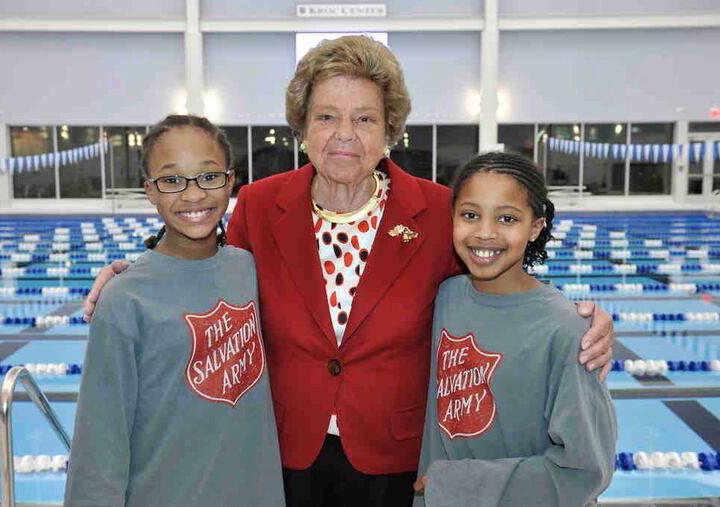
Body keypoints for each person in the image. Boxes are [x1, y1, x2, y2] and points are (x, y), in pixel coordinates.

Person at [84, 36, 614, 506]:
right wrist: (135, 270)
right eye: (327, 116)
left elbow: (496, 272)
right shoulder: (260, 205)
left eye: (364, 118)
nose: (345, 134)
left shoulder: (434, 211)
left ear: (389, 131)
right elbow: (209, 271)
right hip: (282, 453)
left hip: (394, 460)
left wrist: (581, 324)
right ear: (303, 126)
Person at [65, 115, 285, 507]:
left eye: (209, 176)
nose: (194, 194)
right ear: (150, 190)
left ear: (230, 181)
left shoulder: (250, 269)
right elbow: (98, 446)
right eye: (172, 180)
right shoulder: (124, 301)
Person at [414, 152, 616, 506]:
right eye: (470, 215)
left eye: (507, 218)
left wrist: (455, 483)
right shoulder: (444, 297)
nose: (485, 232)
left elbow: (585, 470)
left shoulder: (568, 332)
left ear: (535, 227)